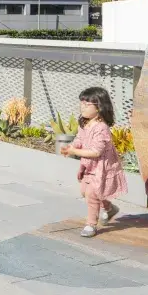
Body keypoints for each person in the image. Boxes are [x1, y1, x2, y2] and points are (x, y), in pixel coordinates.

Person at [60, 86, 127, 238]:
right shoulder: (84, 123)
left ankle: (91, 224)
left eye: (87, 104)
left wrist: (74, 152)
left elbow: (96, 152)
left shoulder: (101, 128)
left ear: (100, 107)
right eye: (81, 103)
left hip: (101, 167)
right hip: (89, 165)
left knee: (92, 194)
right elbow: (80, 138)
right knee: (85, 191)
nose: (82, 107)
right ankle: (110, 209)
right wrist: (73, 146)